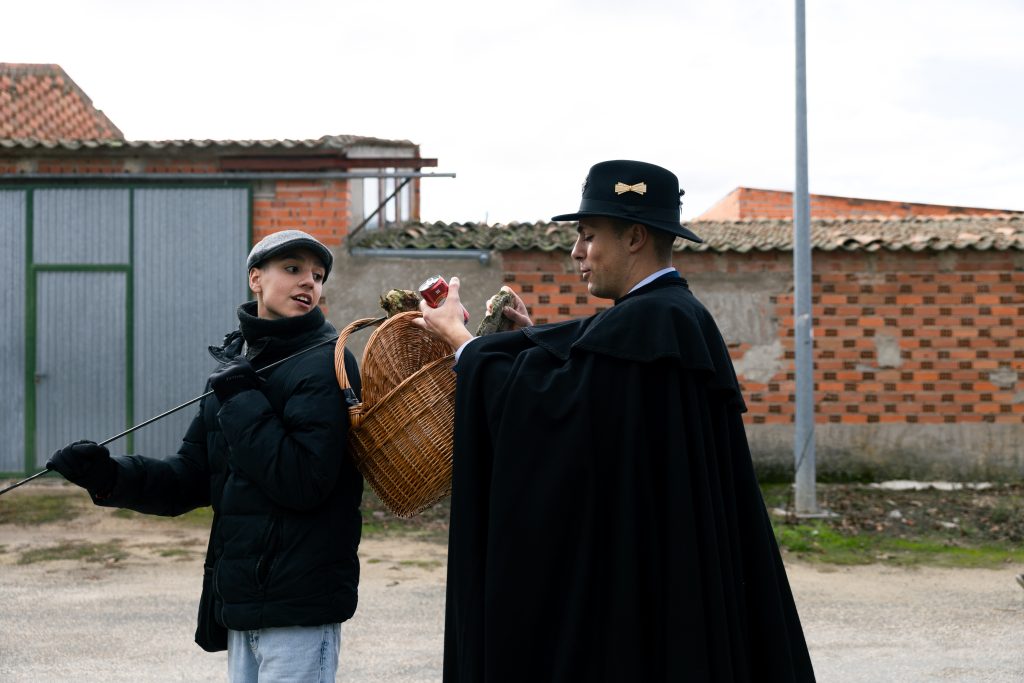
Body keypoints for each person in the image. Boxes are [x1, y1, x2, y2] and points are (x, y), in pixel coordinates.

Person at [418, 160, 816, 681]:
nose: (576, 253)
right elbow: (594, 398)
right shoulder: (669, 314)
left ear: (633, 237)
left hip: (645, 577)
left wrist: (462, 344)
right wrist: (525, 340)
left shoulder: (653, 318)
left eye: (587, 236)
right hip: (663, 569)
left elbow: (558, 416)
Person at [46, 229, 363, 683]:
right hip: (241, 602)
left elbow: (303, 481)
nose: (308, 283)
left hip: (300, 606)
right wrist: (109, 476)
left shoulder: (326, 363)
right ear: (256, 278)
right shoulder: (237, 369)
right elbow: (191, 478)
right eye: (292, 269)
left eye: (316, 275)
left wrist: (240, 397)